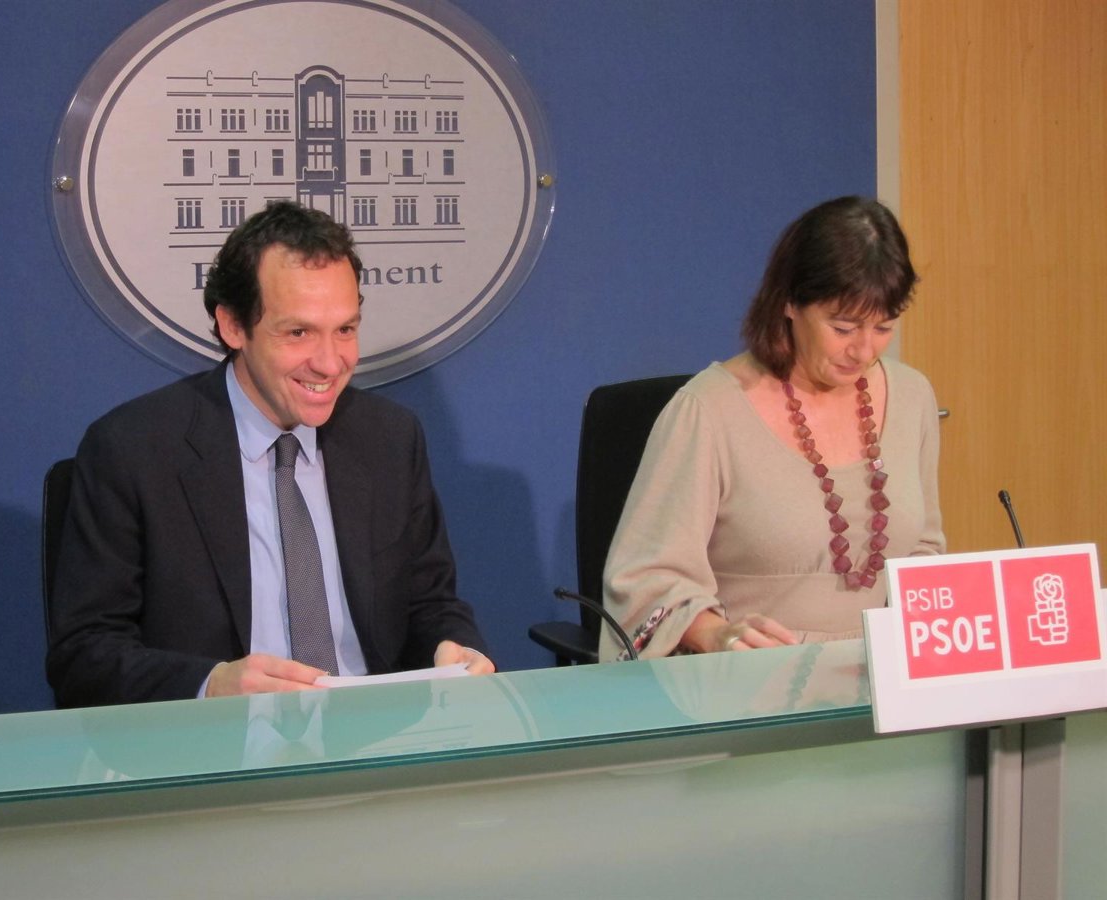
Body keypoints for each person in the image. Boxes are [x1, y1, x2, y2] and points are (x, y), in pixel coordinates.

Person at [47, 201, 493, 708]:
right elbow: (83, 655)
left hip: (374, 733)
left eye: (345, 330)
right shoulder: (133, 449)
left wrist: (455, 649)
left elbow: (431, 603)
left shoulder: (390, 438)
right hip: (217, 740)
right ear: (233, 326)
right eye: (298, 332)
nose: (330, 364)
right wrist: (212, 684)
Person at [600, 196, 944, 661]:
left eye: (883, 327)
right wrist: (715, 634)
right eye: (844, 328)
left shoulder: (912, 396)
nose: (864, 351)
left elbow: (924, 550)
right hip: (750, 677)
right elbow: (646, 581)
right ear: (790, 303)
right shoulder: (708, 411)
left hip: (883, 674)